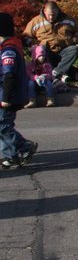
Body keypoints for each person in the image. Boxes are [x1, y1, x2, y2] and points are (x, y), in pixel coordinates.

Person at [0, 13, 38, 169]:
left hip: (9, 96)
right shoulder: (6, 48)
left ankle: (24, 146)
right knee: (3, 126)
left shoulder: (9, 50)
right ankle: (11, 156)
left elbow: (9, 75)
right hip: (5, 94)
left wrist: (6, 98)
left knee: (2, 126)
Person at [23, 1, 78, 85]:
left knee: (75, 50)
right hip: (46, 52)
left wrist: (76, 38)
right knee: (41, 52)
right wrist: (35, 43)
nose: (51, 17)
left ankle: (55, 72)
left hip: (64, 51)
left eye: (54, 14)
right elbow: (25, 37)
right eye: (49, 14)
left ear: (58, 10)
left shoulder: (69, 19)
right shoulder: (35, 21)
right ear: (44, 11)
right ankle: (71, 72)